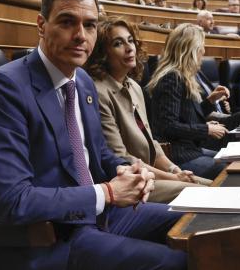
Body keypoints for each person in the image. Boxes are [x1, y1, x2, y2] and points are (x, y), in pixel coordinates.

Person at [0, 0, 186, 270]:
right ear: (41, 25)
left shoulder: (83, 81)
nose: (80, 35)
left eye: (90, 25)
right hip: (55, 237)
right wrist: (107, 193)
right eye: (67, 22)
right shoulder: (3, 87)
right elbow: (13, 200)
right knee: (177, 262)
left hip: (103, 217)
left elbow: (98, 154)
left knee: (199, 222)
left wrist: (125, 170)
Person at [85, 19, 210, 203]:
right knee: (205, 193)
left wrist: (175, 170)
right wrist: (173, 178)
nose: (129, 48)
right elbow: (122, 157)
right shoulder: (98, 92)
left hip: (152, 172)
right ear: (103, 53)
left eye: (130, 41)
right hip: (130, 180)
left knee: (214, 185)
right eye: (118, 43)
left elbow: (152, 144)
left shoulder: (135, 87)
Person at [147, 24, 228, 179]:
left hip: (190, 149)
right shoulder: (171, 78)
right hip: (179, 156)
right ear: (190, 50)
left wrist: (210, 101)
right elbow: (168, 127)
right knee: (227, 169)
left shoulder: (183, 76)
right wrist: (206, 129)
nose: (204, 51)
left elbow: (187, 117)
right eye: (201, 47)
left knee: (230, 160)